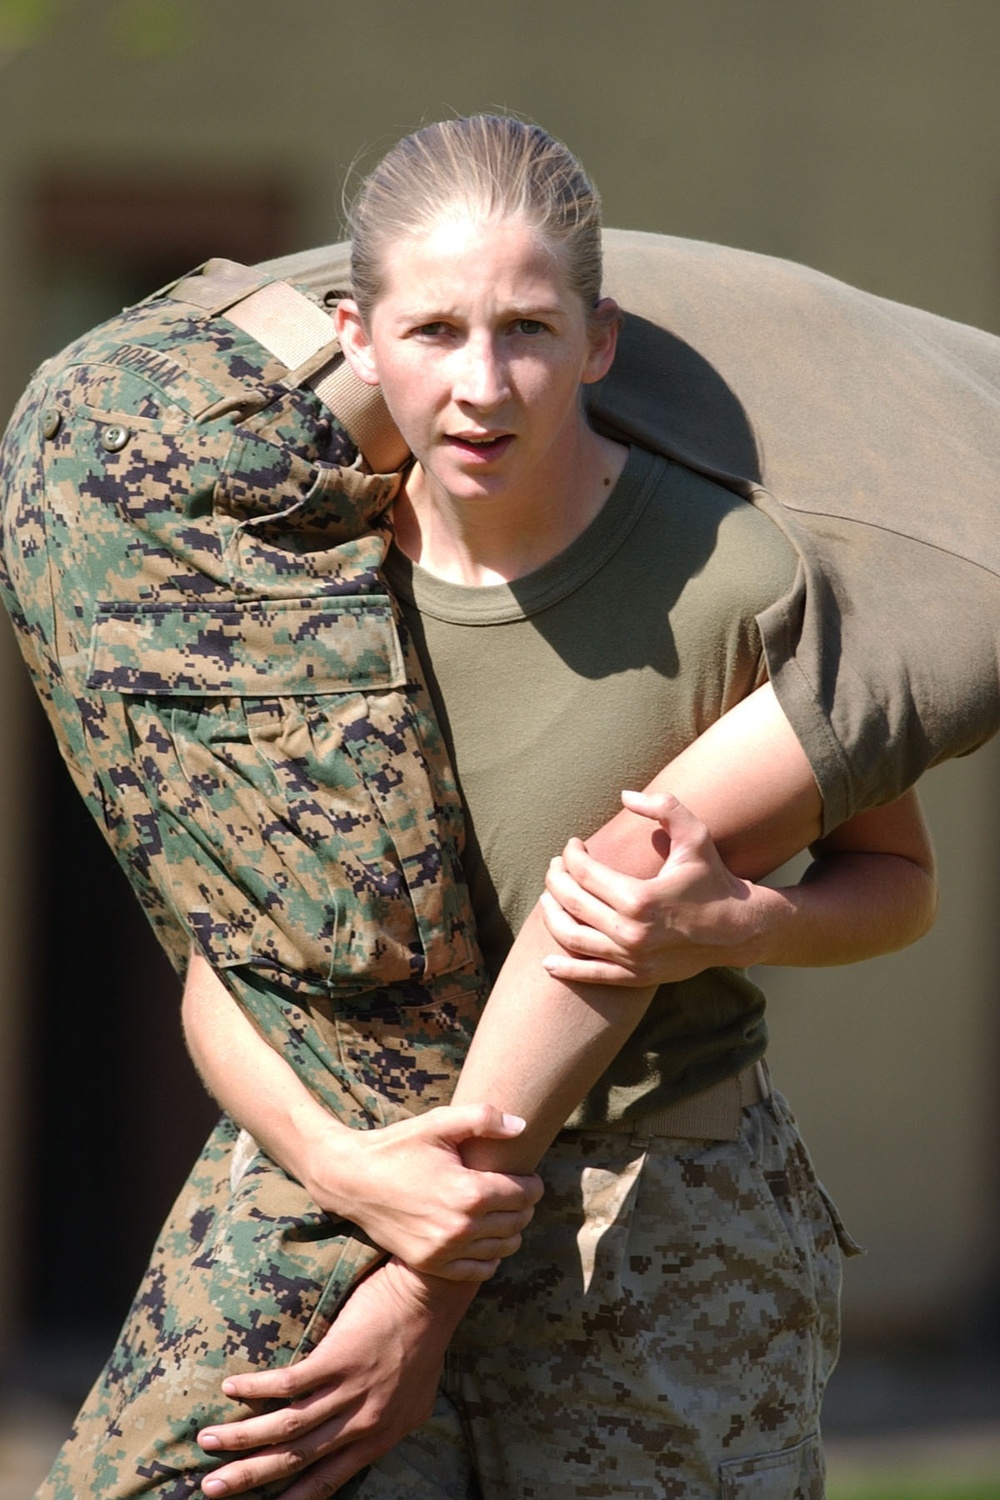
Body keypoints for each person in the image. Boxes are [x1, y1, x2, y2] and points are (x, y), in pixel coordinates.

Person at [0, 116, 936, 1499]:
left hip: (657, 1233)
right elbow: (223, 960)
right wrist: (351, 1169)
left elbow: (894, 883)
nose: (483, 385)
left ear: (601, 339)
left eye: (530, 330)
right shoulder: (291, 589)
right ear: (355, 336)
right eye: (435, 331)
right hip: (347, 1204)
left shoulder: (743, 576)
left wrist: (736, 917)